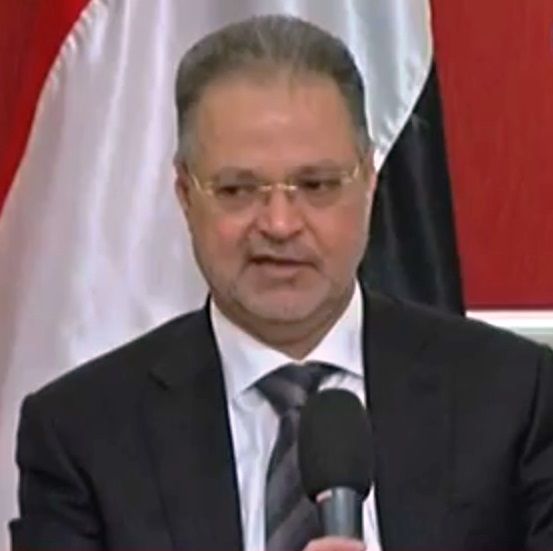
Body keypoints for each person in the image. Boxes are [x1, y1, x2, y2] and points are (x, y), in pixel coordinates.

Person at [9, 14, 553, 551]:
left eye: (316, 185)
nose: (279, 224)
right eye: (237, 190)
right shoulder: (81, 434)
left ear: (368, 182)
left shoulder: (514, 399)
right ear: (185, 195)